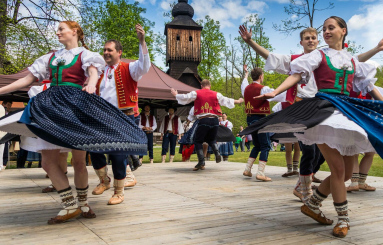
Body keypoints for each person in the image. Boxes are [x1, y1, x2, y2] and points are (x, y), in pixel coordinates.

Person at [245, 16, 383, 238]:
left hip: (347, 113)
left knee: (349, 172)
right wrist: (275, 92)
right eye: (324, 29)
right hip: (323, 112)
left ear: (343, 30)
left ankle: (312, 204)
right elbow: (296, 74)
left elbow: (369, 86)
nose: (326, 32)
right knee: (338, 170)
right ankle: (343, 219)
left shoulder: (351, 60)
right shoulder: (317, 55)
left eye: (331, 28)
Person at [0, 21, 146, 224]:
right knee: (48, 161)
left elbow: (94, 73)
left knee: (79, 161)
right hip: (50, 107)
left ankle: (83, 204)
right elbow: (26, 80)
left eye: (61, 29)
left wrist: (91, 85)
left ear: (74, 31)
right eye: (58, 29)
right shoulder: (50, 57)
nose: (57, 32)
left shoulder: (85, 55)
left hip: (74, 106)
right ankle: (70, 203)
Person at [90, 25, 150, 205]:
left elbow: (144, 65)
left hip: (123, 117)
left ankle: (119, 192)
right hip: (102, 117)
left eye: (110, 50)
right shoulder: (99, 71)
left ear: (119, 52)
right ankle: (104, 180)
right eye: (104, 50)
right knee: (93, 148)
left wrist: (142, 41)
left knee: (118, 155)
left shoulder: (130, 69)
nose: (106, 53)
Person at [171, 79, 243, 170]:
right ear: (210, 86)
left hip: (203, 120)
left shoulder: (196, 93)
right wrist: (239, 101)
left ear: (201, 86)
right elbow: (226, 100)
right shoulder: (216, 94)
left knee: (198, 141)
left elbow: (186, 97)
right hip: (215, 121)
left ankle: (201, 161)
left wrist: (176, 95)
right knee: (212, 139)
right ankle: (217, 153)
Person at [241, 65, 284, 181]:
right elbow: (278, 96)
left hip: (249, 119)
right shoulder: (264, 89)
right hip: (260, 119)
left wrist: (245, 73)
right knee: (265, 146)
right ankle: (260, 173)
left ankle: (247, 169)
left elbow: (244, 82)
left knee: (257, 145)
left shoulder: (245, 88)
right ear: (261, 76)